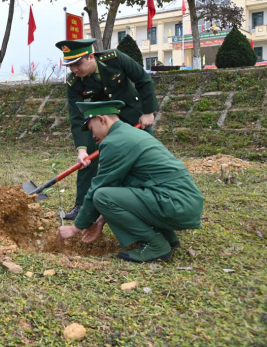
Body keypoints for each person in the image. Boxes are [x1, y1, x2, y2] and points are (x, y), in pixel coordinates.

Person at [58, 100, 204, 263]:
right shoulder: (131, 133)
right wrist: (100, 221)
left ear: (101, 119)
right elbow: (121, 186)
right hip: (184, 202)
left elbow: (100, 189)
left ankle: (156, 244)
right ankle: (166, 236)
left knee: (101, 195)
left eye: (91, 128)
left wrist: (75, 228)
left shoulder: (114, 142)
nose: (92, 136)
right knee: (117, 191)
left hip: (175, 203)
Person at [58, 38, 158, 220]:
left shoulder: (114, 58)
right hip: (99, 121)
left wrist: (148, 112)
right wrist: (81, 149)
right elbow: (76, 116)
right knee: (88, 157)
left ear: (90, 56)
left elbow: (143, 80)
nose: (74, 70)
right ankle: (81, 204)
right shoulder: (74, 83)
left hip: (131, 114)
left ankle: (156, 197)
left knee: (147, 152)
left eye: (77, 64)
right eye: (70, 66)